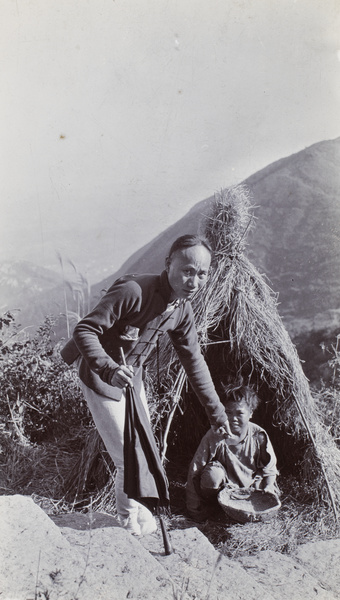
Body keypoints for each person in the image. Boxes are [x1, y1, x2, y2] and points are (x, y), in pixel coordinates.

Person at [61, 234, 232, 536]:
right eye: (187, 270)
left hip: (131, 376)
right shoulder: (134, 291)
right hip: (102, 375)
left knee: (143, 449)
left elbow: (195, 364)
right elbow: (85, 329)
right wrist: (109, 368)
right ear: (168, 264)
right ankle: (127, 524)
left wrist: (218, 417)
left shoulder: (181, 310)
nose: (193, 280)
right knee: (128, 457)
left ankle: (140, 514)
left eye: (202, 273)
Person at [186, 383, 279, 522]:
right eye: (228, 412)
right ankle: (216, 506)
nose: (233, 418)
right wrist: (193, 508)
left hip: (249, 487)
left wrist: (269, 485)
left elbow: (270, 468)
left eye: (240, 413)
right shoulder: (215, 435)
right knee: (213, 475)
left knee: (263, 488)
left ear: (251, 413)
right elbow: (196, 468)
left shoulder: (258, 435)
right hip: (222, 487)